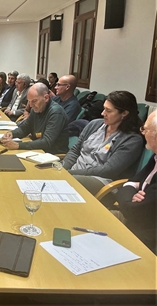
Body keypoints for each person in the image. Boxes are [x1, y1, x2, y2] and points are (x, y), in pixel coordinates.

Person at [62, 91, 144, 204]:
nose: (102, 113)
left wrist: (69, 173)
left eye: (108, 111)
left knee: (67, 182)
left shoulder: (132, 140)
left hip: (103, 182)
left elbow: (108, 170)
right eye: (104, 109)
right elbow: (76, 150)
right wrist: (63, 168)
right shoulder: (94, 124)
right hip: (74, 172)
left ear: (124, 113)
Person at [117, 109, 157, 254]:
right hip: (133, 220)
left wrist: (130, 189)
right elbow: (131, 182)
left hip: (144, 236)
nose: (142, 133)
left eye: (145, 129)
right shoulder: (155, 157)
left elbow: (136, 211)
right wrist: (132, 187)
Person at [0, 83, 69, 154]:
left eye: (34, 101)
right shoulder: (36, 109)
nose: (31, 105)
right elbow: (24, 129)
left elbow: (46, 142)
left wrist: (18, 145)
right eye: (29, 101)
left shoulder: (56, 113)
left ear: (46, 98)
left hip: (53, 154)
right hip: (38, 150)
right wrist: (11, 133)